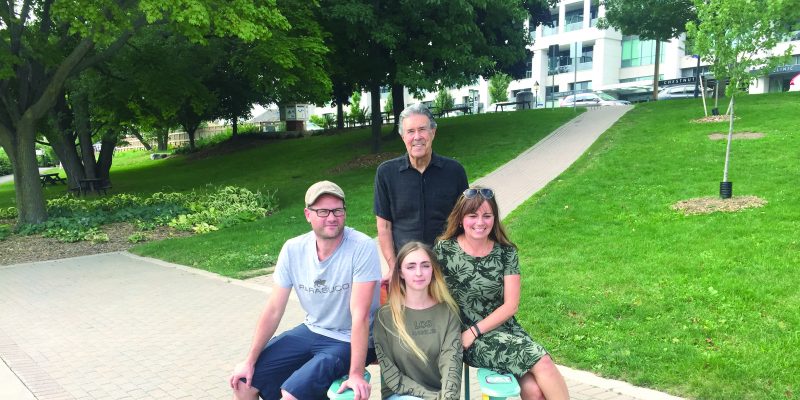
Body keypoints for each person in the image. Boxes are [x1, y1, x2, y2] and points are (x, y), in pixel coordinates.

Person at [229, 181, 381, 400]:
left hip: (349, 339)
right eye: (322, 211)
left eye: (338, 210)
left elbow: (361, 315)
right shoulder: (293, 249)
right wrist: (249, 361)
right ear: (307, 214)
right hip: (312, 329)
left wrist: (355, 373)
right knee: (243, 383)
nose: (331, 217)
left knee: (290, 394)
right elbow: (273, 309)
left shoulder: (362, 247)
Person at [433, 187, 569, 400]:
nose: (480, 222)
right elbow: (432, 294)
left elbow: (511, 305)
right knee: (542, 362)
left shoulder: (506, 252)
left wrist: (476, 330)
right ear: (460, 219)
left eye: (487, 216)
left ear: (494, 219)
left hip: (504, 328)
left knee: (534, 391)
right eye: (473, 216)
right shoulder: (444, 250)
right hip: (469, 338)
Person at [374, 103, 468, 273]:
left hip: (448, 264)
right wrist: (393, 267)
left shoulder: (455, 171)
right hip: (407, 268)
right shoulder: (386, 173)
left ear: (433, 132)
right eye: (410, 131)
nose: (417, 137)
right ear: (403, 137)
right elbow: (384, 227)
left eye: (422, 129)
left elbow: (466, 220)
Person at [374, 241, 462, 400]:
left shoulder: (448, 312)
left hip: (441, 395)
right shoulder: (385, 316)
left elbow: (452, 363)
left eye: (425, 265)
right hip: (400, 394)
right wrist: (431, 397)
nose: (419, 273)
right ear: (400, 273)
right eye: (411, 267)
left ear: (433, 270)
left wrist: (447, 397)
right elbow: (393, 376)